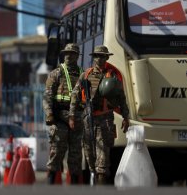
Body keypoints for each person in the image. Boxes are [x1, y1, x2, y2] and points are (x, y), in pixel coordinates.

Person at [70, 45, 130, 185]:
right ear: (93, 58)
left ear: (107, 57)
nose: (99, 59)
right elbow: (75, 95)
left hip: (105, 120)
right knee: (90, 155)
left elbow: (121, 98)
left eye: (102, 56)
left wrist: (125, 117)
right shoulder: (86, 75)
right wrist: (72, 116)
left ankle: (101, 184)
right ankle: (95, 178)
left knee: (102, 160)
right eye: (97, 56)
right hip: (88, 119)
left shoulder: (113, 75)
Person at [42, 43, 83, 184]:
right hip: (59, 118)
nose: (68, 56)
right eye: (66, 53)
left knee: (76, 156)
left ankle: (75, 185)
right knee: (56, 152)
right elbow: (47, 96)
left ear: (77, 56)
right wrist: (49, 115)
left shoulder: (82, 74)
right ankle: (51, 183)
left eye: (71, 53)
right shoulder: (56, 73)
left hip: (77, 118)